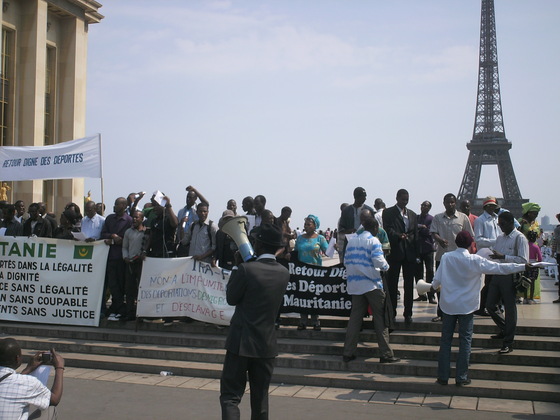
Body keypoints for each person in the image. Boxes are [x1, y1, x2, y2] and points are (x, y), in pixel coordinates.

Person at [432, 231, 526, 387]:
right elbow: (499, 268)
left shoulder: (447, 258)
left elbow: (436, 281)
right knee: (465, 341)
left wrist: (432, 288)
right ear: (471, 244)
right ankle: (461, 377)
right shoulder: (475, 260)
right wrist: (523, 266)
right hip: (467, 307)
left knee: (446, 341)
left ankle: (443, 377)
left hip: (448, 306)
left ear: (456, 243)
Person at [219, 224, 289, 420]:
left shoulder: (245, 269)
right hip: (266, 345)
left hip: (240, 342)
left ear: (258, 244)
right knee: (260, 400)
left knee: (230, 397)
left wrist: (236, 265)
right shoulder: (283, 273)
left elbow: (231, 298)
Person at [342, 217, 399, 364]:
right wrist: (386, 266)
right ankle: (386, 354)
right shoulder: (374, 241)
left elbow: (345, 261)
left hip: (355, 285)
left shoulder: (352, 241)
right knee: (380, 318)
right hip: (372, 285)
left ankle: (348, 352)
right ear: (375, 229)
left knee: (355, 319)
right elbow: (379, 261)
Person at [486, 211, 529, 354]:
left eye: (502, 224)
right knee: (490, 305)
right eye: (499, 225)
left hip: (510, 276)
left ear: (511, 222)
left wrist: (503, 256)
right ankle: (505, 329)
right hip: (498, 273)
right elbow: (497, 256)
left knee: (510, 309)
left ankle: (508, 342)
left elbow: (524, 261)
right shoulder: (499, 238)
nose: (501, 227)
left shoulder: (520, 238)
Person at [430, 193, 474, 322]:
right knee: (440, 286)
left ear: (455, 203)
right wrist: (439, 240)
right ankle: (441, 312)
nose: (450, 204)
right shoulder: (438, 218)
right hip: (442, 257)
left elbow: (470, 236)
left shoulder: (463, 218)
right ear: (443, 203)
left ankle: (457, 312)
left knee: (458, 286)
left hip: (459, 259)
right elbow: (433, 232)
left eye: (452, 202)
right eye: (447, 202)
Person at [0, 338, 64, 419]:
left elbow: (9, 384)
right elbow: (55, 400)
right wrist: (59, 367)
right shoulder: (28, 382)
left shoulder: (19, 381)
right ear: (17, 358)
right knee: (51, 409)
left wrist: (27, 369)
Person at [382, 188, 419, 325]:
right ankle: (392, 313)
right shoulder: (389, 213)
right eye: (403, 199)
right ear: (397, 198)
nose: (405, 202)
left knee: (409, 285)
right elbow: (388, 229)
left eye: (407, 199)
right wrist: (399, 236)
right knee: (392, 284)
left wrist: (417, 254)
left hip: (409, 253)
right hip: (396, 252)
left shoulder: (413, 215)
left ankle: (408, 313)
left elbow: (415, 234)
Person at [293, 214, 328, 331]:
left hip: (315, 273)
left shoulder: (320, 239)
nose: (306, 226)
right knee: (303, 297)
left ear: (315, 226)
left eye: (309, 224)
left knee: (314, 298)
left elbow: (328, 251)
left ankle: (315, 321)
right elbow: (295, 253)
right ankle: (302, 321)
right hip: (302, 273)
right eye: (305, 224)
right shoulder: (300, 239)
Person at [100, 197, 132, 321]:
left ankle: (120, 309)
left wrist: (119, 239)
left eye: (117, 204)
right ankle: (116, 307)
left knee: (121, 284)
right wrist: (111, 236)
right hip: (110, 256)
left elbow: (128, 238)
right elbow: (103, 234)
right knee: (112, 284)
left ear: (124, 206)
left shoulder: (128, 220)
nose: (115, 206)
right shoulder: (109, 218)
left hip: (122, 257)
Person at [473, 196, 501, 315]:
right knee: (490, 282)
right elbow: (478, 240)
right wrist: (495, 241)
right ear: (486, 206)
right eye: (491, 206)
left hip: (497, 254)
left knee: (495, 282)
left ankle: (490, 305)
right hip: (488, 254)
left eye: (494, 206)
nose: (493, 208)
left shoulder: (497, 219)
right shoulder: (480, 220)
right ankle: (482, 306)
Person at [122, 210, 147, 321]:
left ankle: (141, 313)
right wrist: (125, 257)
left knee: (141, 289)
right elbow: (124, 247)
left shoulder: (146, 232)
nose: (135, 219)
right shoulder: (128, 232)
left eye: (137, 217)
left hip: (142, 264)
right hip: (130, 263)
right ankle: (129, 313)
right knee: (129, 289)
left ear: (142, 219)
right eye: (133, 217)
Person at [339, 187, 374, 261]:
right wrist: (349, 231)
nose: (365, 198)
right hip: (350, 243)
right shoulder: (346, 211)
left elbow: (374, 228)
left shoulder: (369, 210)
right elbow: (341, 229)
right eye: (363, 196)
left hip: (366, 244)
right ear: (356, 197)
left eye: (365, 196)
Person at [176, 186, 209, 253]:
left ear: (195, 199)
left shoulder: (197, 211)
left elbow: (206, 203)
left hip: (193, 240)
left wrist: (194, 190)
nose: (188, 199)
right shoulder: (181, 211)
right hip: (182, 240)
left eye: (191, 198)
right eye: (187, 197)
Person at [415, 200, 436, 304]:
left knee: (430, 272)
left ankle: (431, 295)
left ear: (429, 208)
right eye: (422, 205)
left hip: (428, 249)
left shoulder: (431, 219)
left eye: (426, 206)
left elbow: (428, 232)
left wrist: (420, 228)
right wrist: (420, 227)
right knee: (418, 273)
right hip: (418, 249)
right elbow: (413, 229)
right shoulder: (416, 217)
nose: (423, 207)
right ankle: (421, 294)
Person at [523, 230, 542, 304]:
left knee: (525, 281)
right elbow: (540, 258)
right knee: (532, 282)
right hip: (533, 265)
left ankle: (525, 298)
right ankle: (531, 298)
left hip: (526, 264)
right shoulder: (536, 247)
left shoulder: (525, 246)